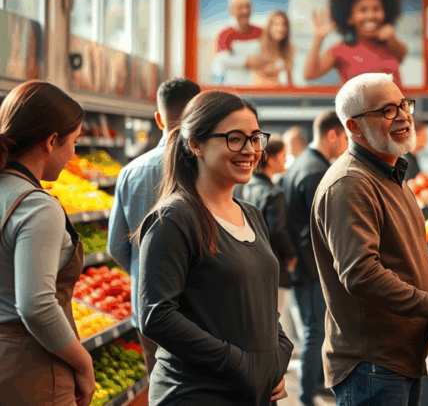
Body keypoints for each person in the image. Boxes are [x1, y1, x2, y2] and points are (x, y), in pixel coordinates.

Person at [312, 73, 428, 405]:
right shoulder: (350, 184)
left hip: (397, 357)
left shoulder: (390, 173)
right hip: (372, 364)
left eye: (404, 104)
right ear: (355, 127)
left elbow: (390, 254)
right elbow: (361, 273)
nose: (403, 115)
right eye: (387, 110)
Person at [136, 90, 293, 405]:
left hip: (253, 391)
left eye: (255, 138)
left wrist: (277, 356)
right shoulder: (174, 218)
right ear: (195, 143)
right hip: (196, 394)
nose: (250, 150)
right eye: (235, 139)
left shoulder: (251, 215)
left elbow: (261, 302)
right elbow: (157, 315)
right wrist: (240, 364)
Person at [0, 81, 95, 406]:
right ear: (52, 141)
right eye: (74, 142)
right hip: (31, 368)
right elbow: (36, 307)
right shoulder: (37, 207)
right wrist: (84, 363)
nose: (73, 155)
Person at [107, 77, 201, 375]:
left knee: (160, 386)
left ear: (159, 118)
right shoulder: (206, 167)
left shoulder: (130, 172)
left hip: (147, 308)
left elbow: (115, 247)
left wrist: (144, 271)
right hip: (199, 309)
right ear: (199, 114)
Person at [282, 109, 348, 406]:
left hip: (301, 267)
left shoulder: (301, 164)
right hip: (311, 270)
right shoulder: (315, 170)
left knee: (314, 330)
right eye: (345, 137)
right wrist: (327, 270)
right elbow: (315, 229)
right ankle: (309, 395)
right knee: (314, 332)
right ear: (332, 134)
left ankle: (315, 387)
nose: (346, 144)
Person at [234, 136, 298, 318]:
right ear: (271, 158)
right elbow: (277, 230)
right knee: (274, 324)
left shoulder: (243, 187)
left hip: (246, 264)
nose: (286, 161)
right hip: (273, 268)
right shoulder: (274, 193)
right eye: (284, 156)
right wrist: (291, 254)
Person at [304, 0, 408, 86]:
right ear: (350, 18)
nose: (370, 15)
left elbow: (402, 55)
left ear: (385, 14)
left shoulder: (392, 45)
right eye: (363, 10)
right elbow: (309, 74)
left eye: (376, 9)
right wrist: (318, 38)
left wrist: (392, 38)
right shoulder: (340, 50)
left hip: (397, 102)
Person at [212, 0, 269, 85]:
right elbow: (222, 60)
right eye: (240, 7)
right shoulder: (225, 34)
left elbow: (270, 55)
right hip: (233, 86)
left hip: (258, 85)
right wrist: (245, 62)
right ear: (231, 11)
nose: (245, 11)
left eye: (247, 7)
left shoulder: (261, 32)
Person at [252, 11, 295, 87]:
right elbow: (256, 81)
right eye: (276, 24)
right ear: (269, 27)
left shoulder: (290, 49)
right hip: (260, 94)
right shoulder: (258, 47)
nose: (281, 29)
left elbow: (290, 81)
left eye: (284, 25)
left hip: (280, 95)